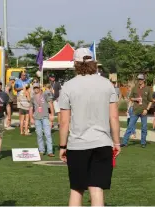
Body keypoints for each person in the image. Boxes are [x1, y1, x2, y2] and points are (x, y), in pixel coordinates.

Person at [58, 48, 121, 206]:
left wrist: (62, 146)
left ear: (75, 63)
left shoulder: (68, 86)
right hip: (102, 142)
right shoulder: (107, 84)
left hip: (77, 144)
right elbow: (113, 117)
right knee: (96, 188)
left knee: (76, 189)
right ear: (94, 63)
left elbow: (64, 121)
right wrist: (117, 142)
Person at [121, 74, 153, 148]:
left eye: (141, 79)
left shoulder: (148, 89)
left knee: (144, 128)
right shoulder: (134, 88)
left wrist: (147, 109)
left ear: (144, 80)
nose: (140, 81)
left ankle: (143, 142)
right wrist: (136, 99)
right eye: (139, 79)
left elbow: (151, 101)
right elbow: (130, 98)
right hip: (135, 111)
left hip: (144, 111)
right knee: (130, 126)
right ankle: (124, 142)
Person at [30, 83, 55, 157]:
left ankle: (50, 151)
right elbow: (31, 108)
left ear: (40, 88)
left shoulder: (45, 95)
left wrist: (52, 114)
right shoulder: (32, 98)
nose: (36, 89)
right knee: (39, 135)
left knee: (48, 134)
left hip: (45, 117)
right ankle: (41, 150)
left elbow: (50, 104)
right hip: (37, 118)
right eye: (34, 88)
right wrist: (31, 118)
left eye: (37, 87)